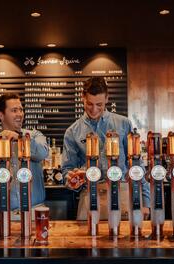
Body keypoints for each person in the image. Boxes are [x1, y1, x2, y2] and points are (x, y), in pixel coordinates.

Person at [61, 77, 150, 220]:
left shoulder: (123, 124)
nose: (94, 109)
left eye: (99, 104)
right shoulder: (72, 131)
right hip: (89, 195)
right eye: (89, 104)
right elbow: (67, 170)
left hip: (122, 193)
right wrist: (72, 179)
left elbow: (136, 164)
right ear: (82, 97)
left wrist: (146, 201)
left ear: (107, 98)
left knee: (126, 242)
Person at [0, 93, 49, 219]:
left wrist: (18, 137)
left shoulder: (35, 136)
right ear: (1, 115)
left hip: (34, 211)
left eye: (21, 110)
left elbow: (42, 153)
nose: (20, 114)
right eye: (14, 110)